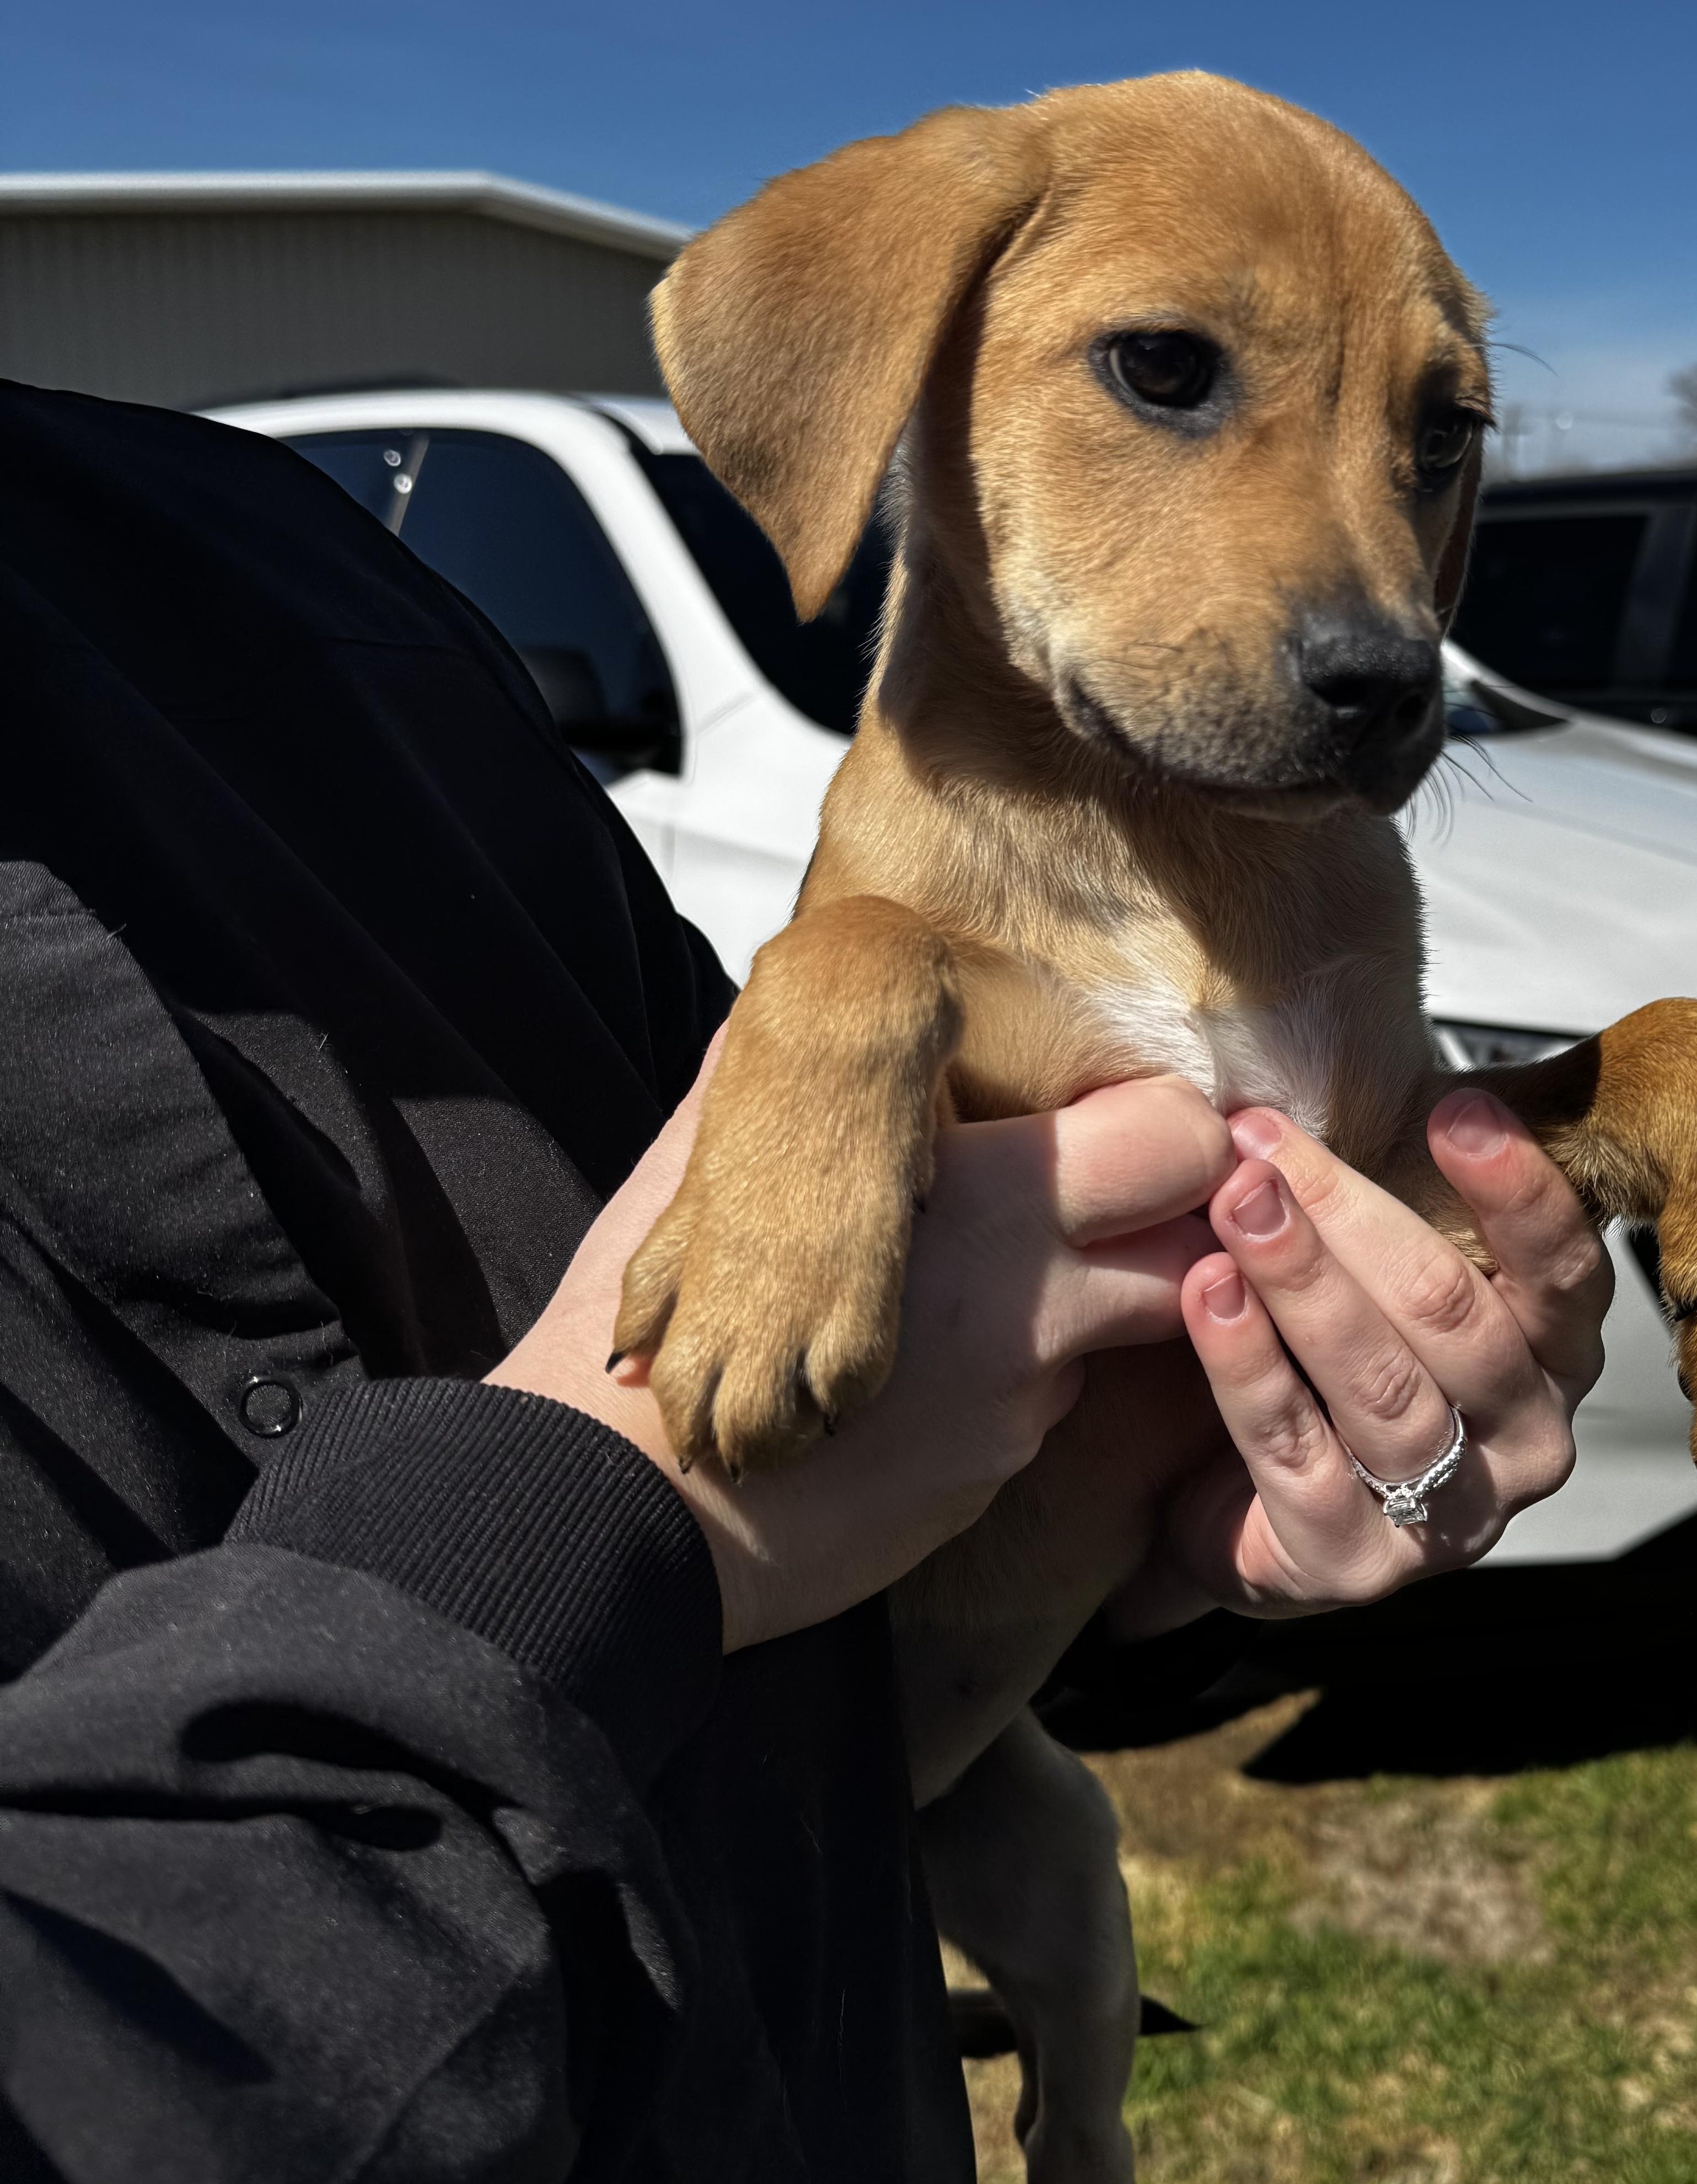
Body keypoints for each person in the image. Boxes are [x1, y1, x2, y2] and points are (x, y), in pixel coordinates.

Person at [0, 377, 1610, 2182]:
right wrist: (578, 1530)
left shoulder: (261, 544)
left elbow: (852, 1247)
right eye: (1162, 378)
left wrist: (1183, 1550)